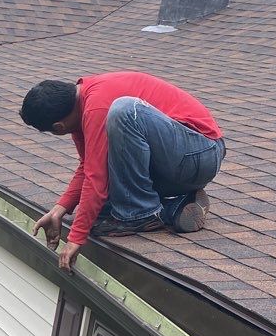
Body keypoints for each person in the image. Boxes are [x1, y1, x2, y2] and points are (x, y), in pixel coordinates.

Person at [20, 71, 225, 271]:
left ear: (58, 127)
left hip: (200, 153)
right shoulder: (81, 105)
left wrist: (75, 238)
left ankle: (139, 214)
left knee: (123, 110)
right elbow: (88, 166)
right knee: (98, 212)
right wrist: (59, 209)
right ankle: (175, 208)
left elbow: (96, 177)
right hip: (179, 162)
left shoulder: (96, 106)